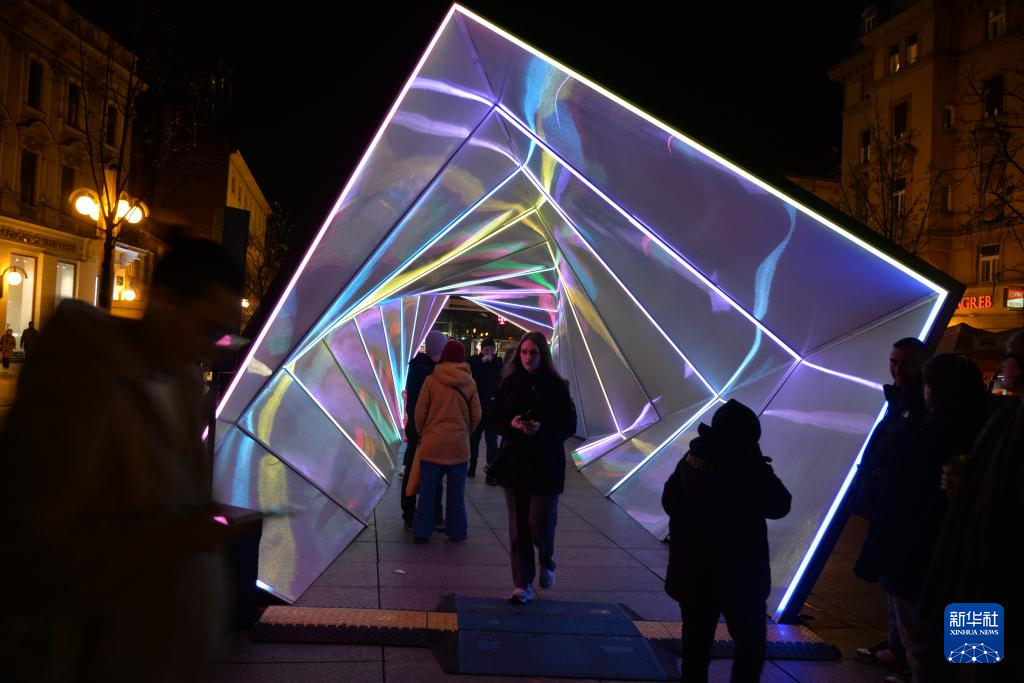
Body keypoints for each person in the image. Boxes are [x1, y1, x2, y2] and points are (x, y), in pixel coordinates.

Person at [0, 237, 243, 682]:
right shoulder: (79, 383)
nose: (214, 348)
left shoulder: (184, 384)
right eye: (208, 329)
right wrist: (175, 536)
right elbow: (36, 547)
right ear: (166, 302)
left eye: (225, 336)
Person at [856, 353, 986, 683]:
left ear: (933, 389)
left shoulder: (927, 434)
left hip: (919, 563)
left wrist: (872, 558)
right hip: (976, 566)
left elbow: (897, 499)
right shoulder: (990, 432)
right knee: (976, 657)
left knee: (924, 651)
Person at [662, 399, 791, 683]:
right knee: (750, 643)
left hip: (693, 573)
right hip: (739, 577)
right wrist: (762, 466)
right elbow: (780, 504)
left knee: (696, 647)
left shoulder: (692, 459)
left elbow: (669, 500)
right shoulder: (748, 468)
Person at [919, 331, 1024, 683]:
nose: (1003, 364)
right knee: (975, 663)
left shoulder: (1009, 416)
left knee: (994, 668)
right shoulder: (1007, 413)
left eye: (1009, 356)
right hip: (980, 559)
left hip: (1002, 564)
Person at [850, 337, 927, 674]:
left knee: (904, 587)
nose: (897, 369)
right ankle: (904, 651)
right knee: (897, 585)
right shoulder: (902, 404)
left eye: (906, 362)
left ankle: (916, 661)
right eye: (894, 361)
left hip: (905, 513)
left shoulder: (922, 413)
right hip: (891, 506)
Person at [491, 331, 576, 604]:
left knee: (540, 521)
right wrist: (512, 425)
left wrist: (542, 430)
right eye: (524, 352)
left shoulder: (557, 387)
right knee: (519, 526)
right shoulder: (510, 384)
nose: (528, 357)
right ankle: (522, 583)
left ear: (543, 355)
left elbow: (568, 426)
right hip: (515, 463)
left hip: (546, 463)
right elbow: (495, 418)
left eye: (533, 352)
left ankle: (547, 559)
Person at [410, 339, 481, 542]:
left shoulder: (431, 380)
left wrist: (424, 432)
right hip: (458, 446)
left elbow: (419, 413)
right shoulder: (470, 383)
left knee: (428, 492)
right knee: (457, 492)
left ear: (444, 356)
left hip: (432, 444)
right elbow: (477, 415)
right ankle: (456, 531)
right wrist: (465, 432)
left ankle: (422, 532)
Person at [400, 330, 448, 531]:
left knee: (414, 471)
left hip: (417, 429)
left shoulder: (418, 367)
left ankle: (411, 514)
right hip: (425, 430)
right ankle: (427, 515)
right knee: (428, 473)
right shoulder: (428, 372)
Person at [468, 337, 502, 478]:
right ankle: (472, 467)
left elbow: (499, 378)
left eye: (491, 350)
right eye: (486, 349)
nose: (489, 352)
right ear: (481, 350)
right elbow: (471, 373)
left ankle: (491, 471)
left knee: (492, 442)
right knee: (474, 441)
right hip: (478, 408)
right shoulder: (475, 362)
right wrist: (482, 363)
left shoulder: (498, 363)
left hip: (491, 411)